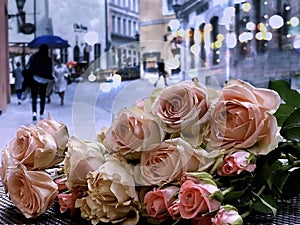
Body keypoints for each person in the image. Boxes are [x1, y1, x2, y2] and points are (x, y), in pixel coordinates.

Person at [28, 44, 53, 121]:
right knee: (43, 97)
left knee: (34, 97)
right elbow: (50, 70)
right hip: (44, 79)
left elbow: (30, 68)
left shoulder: (34, 57)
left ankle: (34, 112)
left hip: (35, 78)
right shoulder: (48, 59)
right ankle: (41, 113)